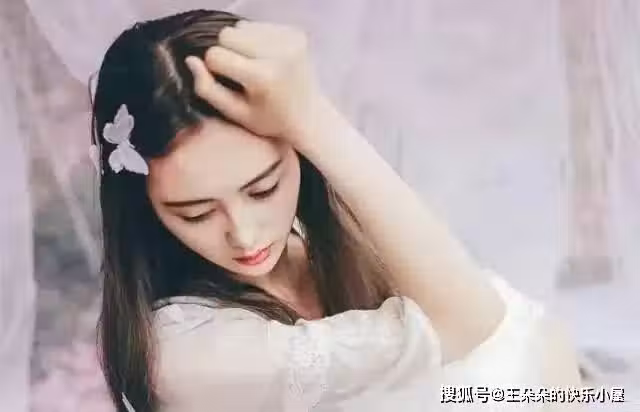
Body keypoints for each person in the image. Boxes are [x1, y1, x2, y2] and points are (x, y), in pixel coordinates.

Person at [90, 9, 581, 412]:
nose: (245, 234)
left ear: (298, 156)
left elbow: (512, 330)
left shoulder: (323, 242)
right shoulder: (186, 353)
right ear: (145, 210)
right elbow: (470, 324)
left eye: (263, 189)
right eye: (195, 213)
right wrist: (313, 117)